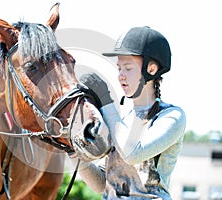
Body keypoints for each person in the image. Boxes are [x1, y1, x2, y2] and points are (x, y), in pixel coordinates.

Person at [71, 26, 186, 199]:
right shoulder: (122, 119)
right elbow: (102, 184)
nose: (120, 76)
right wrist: (72, 151)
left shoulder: (172, 117)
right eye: (119, 68)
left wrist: (106, 101)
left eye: (128, 68)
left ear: (151, 69)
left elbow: (133, 154)